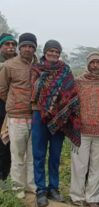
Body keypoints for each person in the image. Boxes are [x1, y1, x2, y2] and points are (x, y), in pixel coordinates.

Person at [31, 40, 81, 206]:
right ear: (45, 52)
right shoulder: (36, 69)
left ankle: (54, 188)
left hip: (59, 118)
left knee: (55, 155)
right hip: (39, 115)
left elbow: (72, 92)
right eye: (50, 51)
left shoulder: (65, 70)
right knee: (39, 154)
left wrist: (60, 109)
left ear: (59, 53)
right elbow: (33, 91)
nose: (53, 54)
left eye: (56, 51)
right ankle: (40, 190)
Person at [70, 52, 99, 207]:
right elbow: (72, 104)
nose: (95, 65)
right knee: (79, 166)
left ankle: (92, 198)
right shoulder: (79, 82)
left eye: (98, 63)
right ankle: (76, 196)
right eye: (92, 62)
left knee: (98, 167)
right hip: (81, 131)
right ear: (88, 64)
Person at [0, 33, 38, 198]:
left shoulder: (38, 66)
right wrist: (13, 103)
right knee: (17, 154)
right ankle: (17, 187)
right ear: (20, 47)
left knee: (31, 154)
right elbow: (2, 90)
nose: (28, 49)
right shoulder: (8, 65)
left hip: (35, 116)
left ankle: (30, 185)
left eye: (31, 46)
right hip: (16, 116)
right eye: (25, 46)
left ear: (34, 48)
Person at [0, 33, 17, 181]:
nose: (10, 47)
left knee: (11, 142)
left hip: (15, 109)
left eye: (13, 44)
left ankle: (7, 174)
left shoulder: (22, 63)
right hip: (2, 106)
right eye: (7, 44)